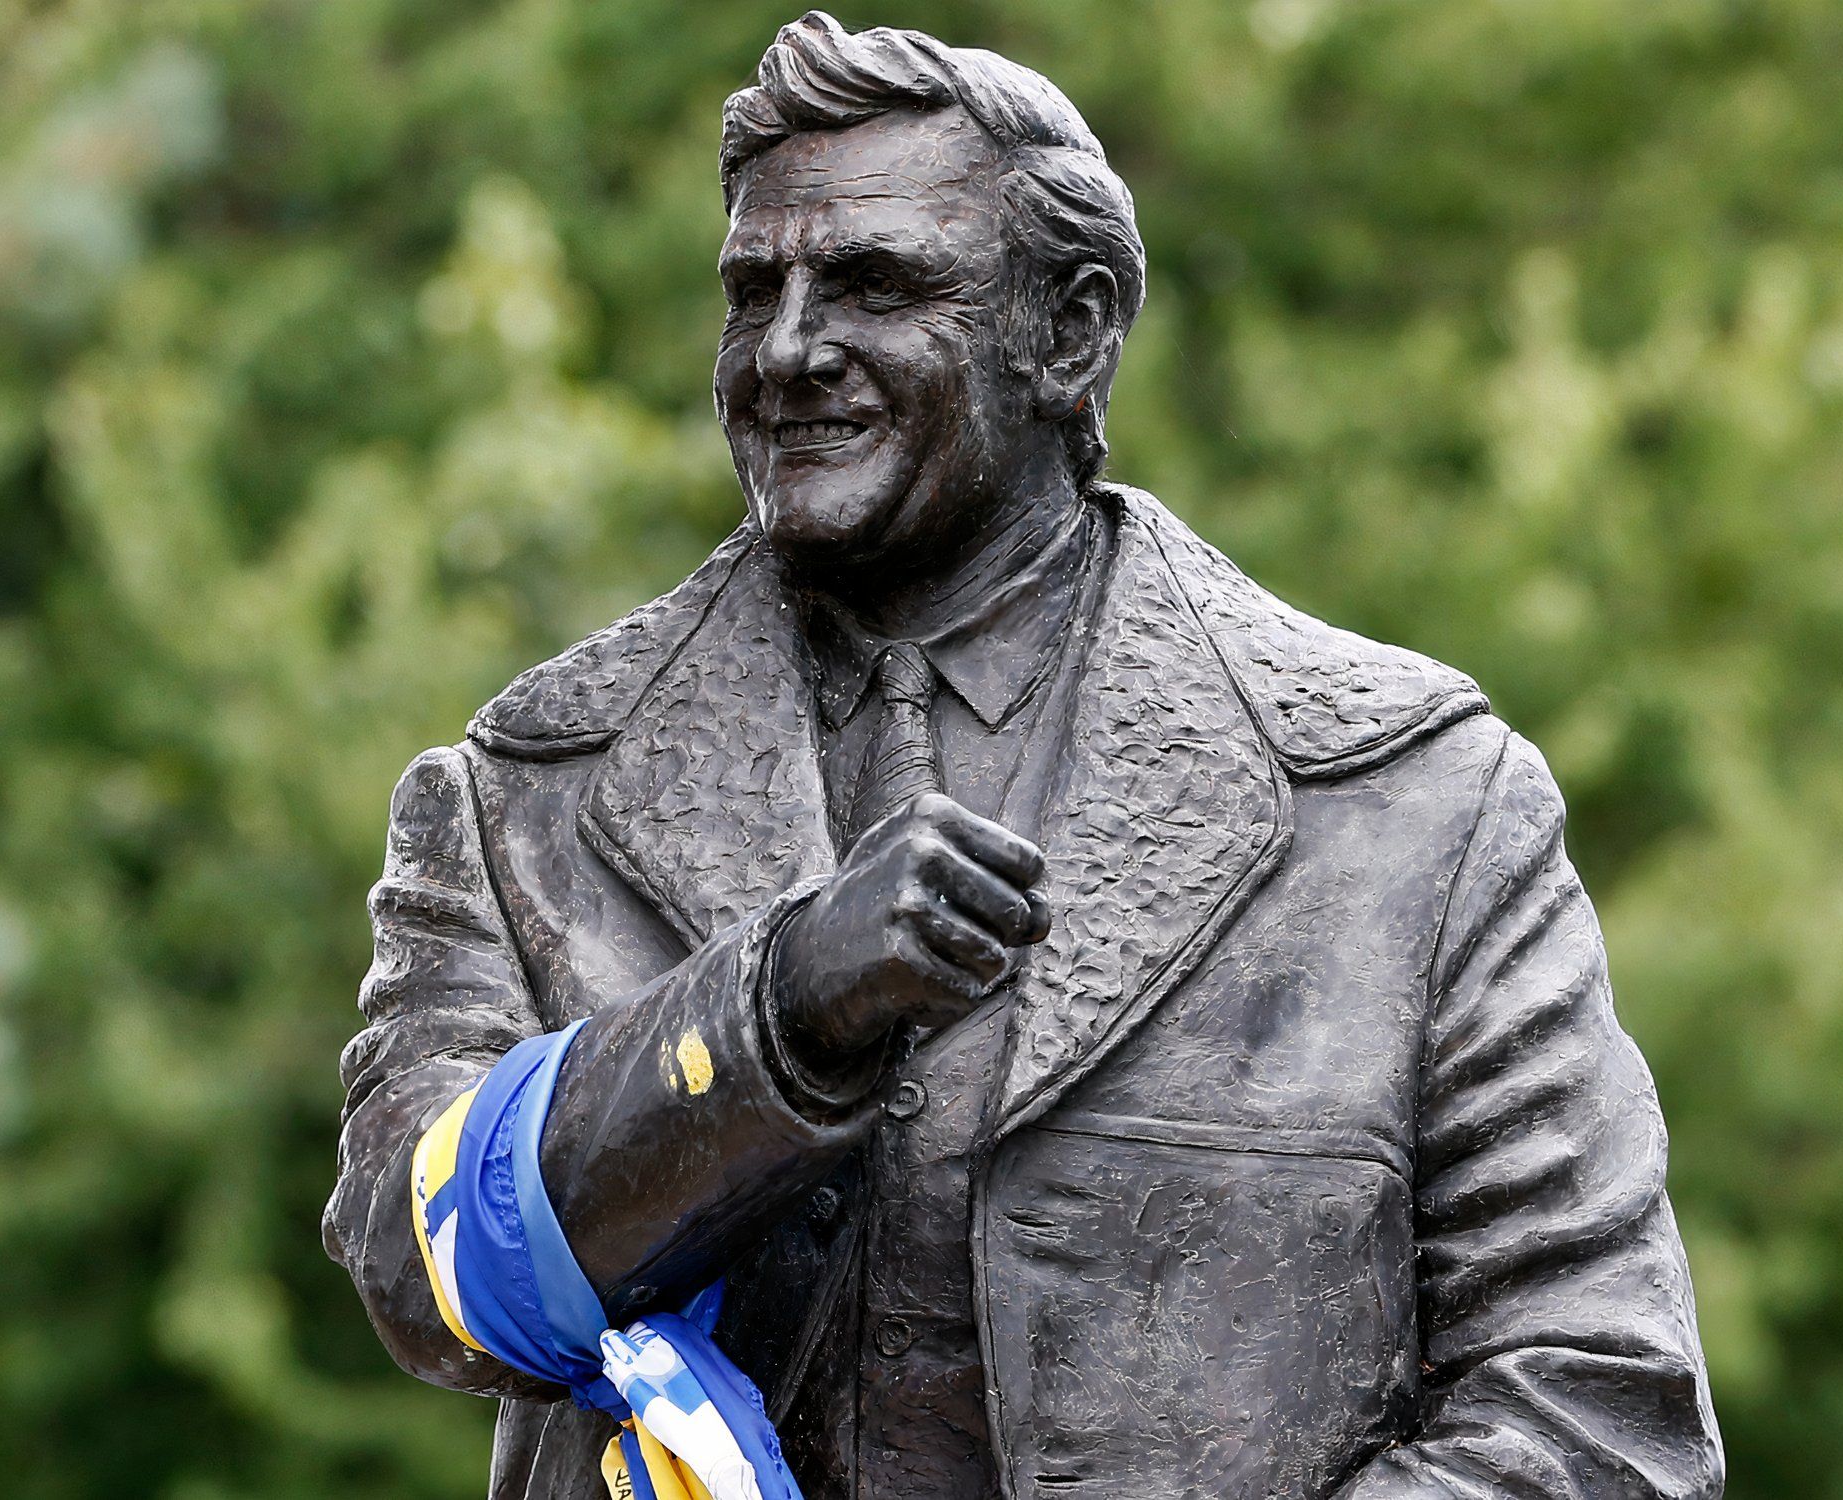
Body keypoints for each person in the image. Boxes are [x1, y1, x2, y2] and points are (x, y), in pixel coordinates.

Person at [324, 13, 1722, 1498]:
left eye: (872, 284)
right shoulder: (526, 793)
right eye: (754, 292)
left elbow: (1594, 1411)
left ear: (1074, 332)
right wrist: (773, 1015)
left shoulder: (1411, 805)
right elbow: (411, 1276)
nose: (790, 350)